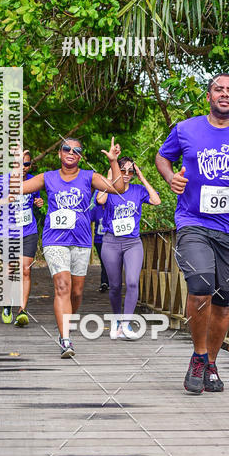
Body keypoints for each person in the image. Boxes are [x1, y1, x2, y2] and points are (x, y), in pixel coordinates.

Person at [155, 74, 229, 393]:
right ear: (209, 96)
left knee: (223, 300)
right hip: (193, 221)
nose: (224, 94)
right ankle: (198, 356)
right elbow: (162, 158)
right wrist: (169, 177)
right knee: (200, 285)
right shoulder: (185, 129)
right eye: (218, 89)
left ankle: (211, 363)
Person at [19, 137, 124, 357]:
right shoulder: (47, 178)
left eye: (77, 150)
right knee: (63, 286)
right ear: (59, 153)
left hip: (82, 241)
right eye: (67, 148)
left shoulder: (89, 177)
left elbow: (119, 188)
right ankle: (65, 339)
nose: (71, 152)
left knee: (76, 292)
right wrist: (18, 165)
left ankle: (66, 323)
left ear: (80, 156)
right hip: (54, 240)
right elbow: (16, 188)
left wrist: (114, 162)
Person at [96, 158, 160, 339]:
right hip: (111, 242)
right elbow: (100, 200)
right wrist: (110, 175)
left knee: (132, 282)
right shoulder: (109, 190)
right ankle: (117, 319)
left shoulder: (138, 190)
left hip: (133, 243)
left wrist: (142, 177)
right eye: (122, 170)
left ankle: (126, 323)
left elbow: (156, 200)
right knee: (115, 286)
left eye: (130, 171)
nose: (126, 174)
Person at [0, 149, 43, 327]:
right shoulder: (2, 181)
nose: (24, 167)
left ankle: (22, 311)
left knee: (25, 270)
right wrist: (5, 201)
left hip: (28, 231)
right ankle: (8, 303)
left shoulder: (34, 181)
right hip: (7, 233)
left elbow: (36, 201)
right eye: (20, 164)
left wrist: (38, 203)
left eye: (27, 164)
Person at [90, 193, 109, 291]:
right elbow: (88, 219)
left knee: (111, 262)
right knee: (104, 261)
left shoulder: (112, 208)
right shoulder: (96, 210)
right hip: (99, 240)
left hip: (111, 240)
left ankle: (108, 282)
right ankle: (104, 282)